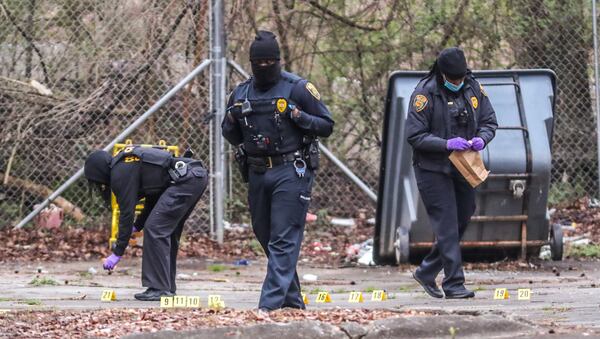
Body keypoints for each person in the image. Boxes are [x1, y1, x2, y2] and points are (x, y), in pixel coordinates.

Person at [222, 30, 334, 311]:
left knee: (283, 238)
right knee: (265, 234)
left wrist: (298, 116)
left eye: (269, 61)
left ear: (278, 60)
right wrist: (233, 118)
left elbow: (326, 125)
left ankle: (268, 306)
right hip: (258, 172)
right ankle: (293, 302)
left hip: (291, 170)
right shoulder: (241, 92)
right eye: (258, 62)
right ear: (250, 62)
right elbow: (231, 134)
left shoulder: (296, 88)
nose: (264, 67)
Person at [406, 47, 497, 299]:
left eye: (460, 79)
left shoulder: (473, 87)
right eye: (453, 80)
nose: (457, 83)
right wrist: (446, 144)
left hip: (463, 166)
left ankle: (426, 271)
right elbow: (414, 136)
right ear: (442, 73)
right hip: (432, 169)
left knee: (463, 217)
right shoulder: (424, 94)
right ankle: (454, 283)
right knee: (446, 225)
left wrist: (482, 138)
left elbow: (490, 121)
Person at [84, 146, 208, 301]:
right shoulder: (127, 163)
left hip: (185, 179)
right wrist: (137, 226)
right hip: (193, 176)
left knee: (155, 229)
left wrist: (117, 253)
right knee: (165, 229)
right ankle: (166, 286)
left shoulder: (119, 173)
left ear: (99, 172)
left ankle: (159, 288)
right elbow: (153, 199)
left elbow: (126, 213)